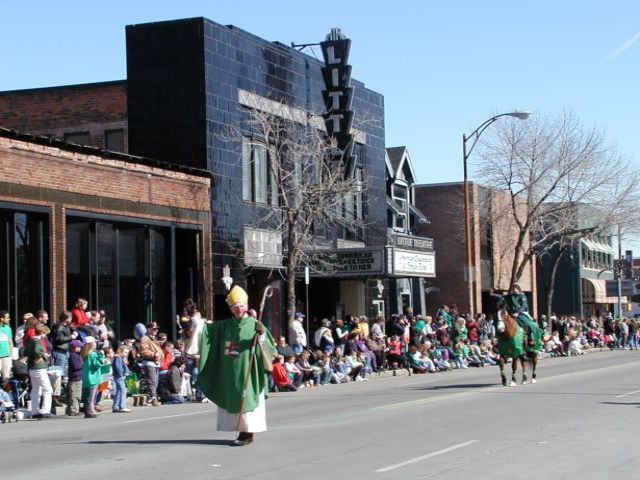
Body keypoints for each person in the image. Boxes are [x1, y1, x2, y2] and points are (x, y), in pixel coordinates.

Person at [197, 285, 275, 447]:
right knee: (233, 399)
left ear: (246, 306)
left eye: (241, 306)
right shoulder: (224, 326)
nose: (238, 309)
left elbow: (269, 348)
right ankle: (240, 430)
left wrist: (260, 335)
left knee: (246, 399)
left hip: (249, 370)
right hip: (229, 372)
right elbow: (205, 331)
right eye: (235, 307)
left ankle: (247, 433)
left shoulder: (255, 324)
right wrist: (196, 321)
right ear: (230, 308)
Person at [26, 324, 53, 419]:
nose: (45, 336)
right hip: (39, 368)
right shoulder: (37, 341)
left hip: (32, 368)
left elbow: (26, 352)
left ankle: (35, 411)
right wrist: (44, 355)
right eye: (45, 334)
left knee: (36, 390)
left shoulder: (31, 341)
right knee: (48, 389)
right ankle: (45, 410)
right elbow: (37, 351)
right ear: (42, 333)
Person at [66, 339, 84, 416]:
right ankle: (73, 410)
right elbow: (76, 366)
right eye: (79, 347)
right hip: (75, 378)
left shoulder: (76, 355)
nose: (80, 348)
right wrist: (83, 365)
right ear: (74, 347)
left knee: (77, 394)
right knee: (75, 394)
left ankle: (76, 408)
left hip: (77, 377)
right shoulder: (74, 356)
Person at [0, 310, 13, 381]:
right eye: (7, 318)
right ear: (2, 319)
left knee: (6, 377)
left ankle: (4, 392)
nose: (9, 319)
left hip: (6, 356)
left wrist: (10, 354)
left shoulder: (8, 329)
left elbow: (10, 342)